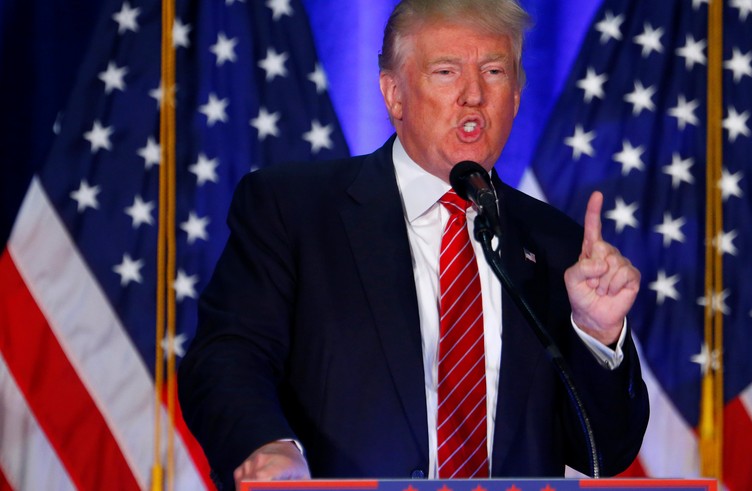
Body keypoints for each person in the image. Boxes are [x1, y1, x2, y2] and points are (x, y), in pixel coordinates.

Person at [178, 1, 649, 489]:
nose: (473, 95)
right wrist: (267, 444)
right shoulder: (293, 210)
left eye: (494, 71)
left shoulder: (556, 244)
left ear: (515, 95)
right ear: (394, 94)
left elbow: (604, 451)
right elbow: (228, 356)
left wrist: (596, 334)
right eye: (446, 71)